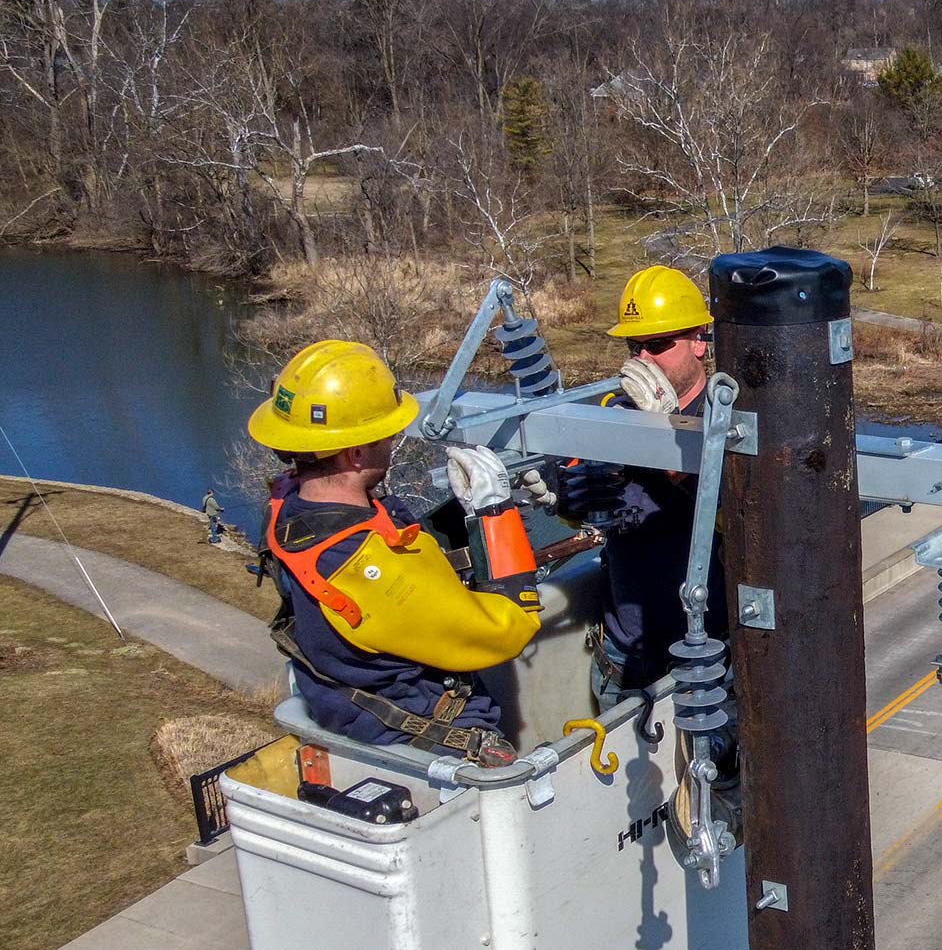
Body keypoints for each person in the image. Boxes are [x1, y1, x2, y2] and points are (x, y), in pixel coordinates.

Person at [247, 339, 543, 763]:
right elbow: (512, 627)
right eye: (384, 433)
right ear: (354, 452)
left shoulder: (291, 508)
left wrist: (470, 517)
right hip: (430, 745)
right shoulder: (362, 566)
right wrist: (497, 515)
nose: (392, 438)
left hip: (358, 717)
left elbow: (408, 549)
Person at [568, 265, 725, 712]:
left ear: (700, 340)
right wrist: (557, 488)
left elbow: (744, 517)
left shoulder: (727, 417)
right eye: (635, 347)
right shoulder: (614, 411)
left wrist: (667, 434)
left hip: (706, 653)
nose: (643, 360)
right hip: (627, 655)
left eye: (657, 345)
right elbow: (578, 501)